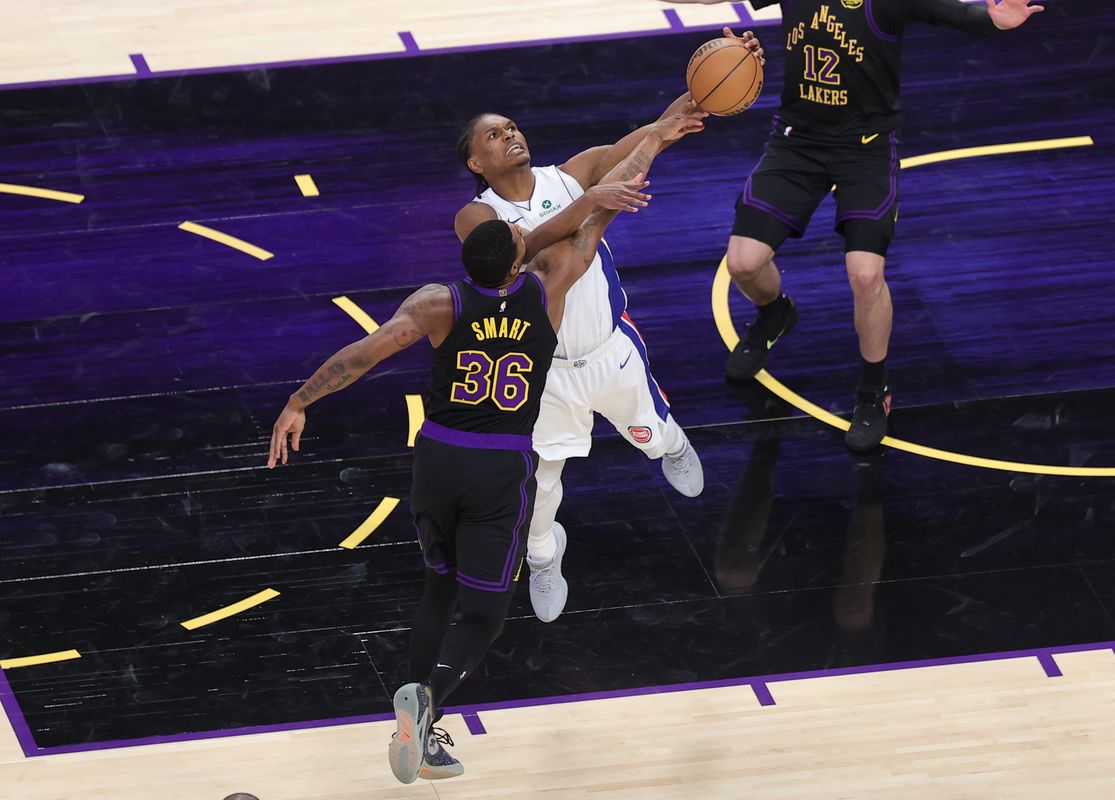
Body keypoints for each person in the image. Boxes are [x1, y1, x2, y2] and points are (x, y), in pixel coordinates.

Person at [265, 107, 705, 784]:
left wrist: (299, 401)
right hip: (499, 467)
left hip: (439, 459)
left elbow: (362, 355)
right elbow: (593, 223)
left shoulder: (439, 304)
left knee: (438, 591)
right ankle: (428, 702)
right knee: (485, 614)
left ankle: (418, 714)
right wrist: (643, 155)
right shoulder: (546, 294)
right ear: (518, 257)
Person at [452, 54, 756, 623]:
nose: (510, 134)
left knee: (649, 434)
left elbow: (654, 133)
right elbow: (523, 253)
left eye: (511, 126)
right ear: (475, 161)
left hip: (607, 348)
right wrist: (590, 202)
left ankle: (670, 445)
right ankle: (544, 557)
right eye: (494, 134)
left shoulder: (575, 170)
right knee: (540, 484)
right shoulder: (474, 217)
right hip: (538, 374)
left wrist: (713, 80)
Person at [664, 0, 1043, 450]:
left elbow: (949, 12)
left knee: (865, 275)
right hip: (797, 142)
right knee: (743, 263)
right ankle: (775, 313)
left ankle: (874, 389)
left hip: (867, 149)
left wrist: (993, 20)